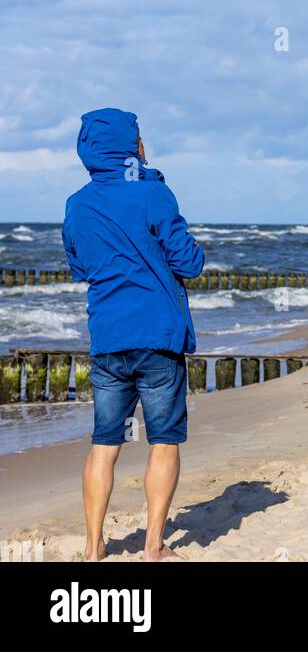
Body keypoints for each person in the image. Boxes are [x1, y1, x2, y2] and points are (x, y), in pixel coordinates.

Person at [62, 109, 204, 562]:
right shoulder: (154, 194)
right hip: (158, 339)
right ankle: (153, 547)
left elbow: (81, 265)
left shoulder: (77, 204)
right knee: (163, 440)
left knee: (105, 444)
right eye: (139, 138)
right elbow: (189, 263)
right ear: (131, 145)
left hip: (108, 338)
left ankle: (92, 547)